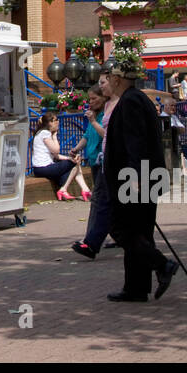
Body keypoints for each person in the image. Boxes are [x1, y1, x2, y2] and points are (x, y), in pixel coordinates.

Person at [103, 58, 179, 301]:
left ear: (117, 79)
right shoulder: (138, 99)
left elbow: (135, 142)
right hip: (145, 177)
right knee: (140, 232)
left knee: (120, 228)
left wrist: (134, 177)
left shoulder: (130, 102)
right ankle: (136, 288)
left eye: (109, 79)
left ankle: (161, 264)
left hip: (135, 179)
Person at [71, 80, 116, 260]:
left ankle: (91, 240)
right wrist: (77, 148)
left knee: (99, 201)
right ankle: (114, 235)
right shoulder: (95, 115)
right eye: (89, 99)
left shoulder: (104, 115)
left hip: (103, 160)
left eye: (93, 98)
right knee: (106, 202)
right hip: (95, 162)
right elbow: (87, 136)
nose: (90, 102)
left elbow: (106, 135)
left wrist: (92, 121)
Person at [31, 112, 89, 200]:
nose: (58, 122)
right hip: (43, 168)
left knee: (74, 163)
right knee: (74, 164)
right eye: (56, 120)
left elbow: (56, 155)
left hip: (42, 168)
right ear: (50, 123)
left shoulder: (41, 133)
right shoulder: (45, 133)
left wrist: (69, 158)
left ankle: (85, 190)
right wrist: (54, 136)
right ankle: (63, 190)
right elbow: (56, 150)